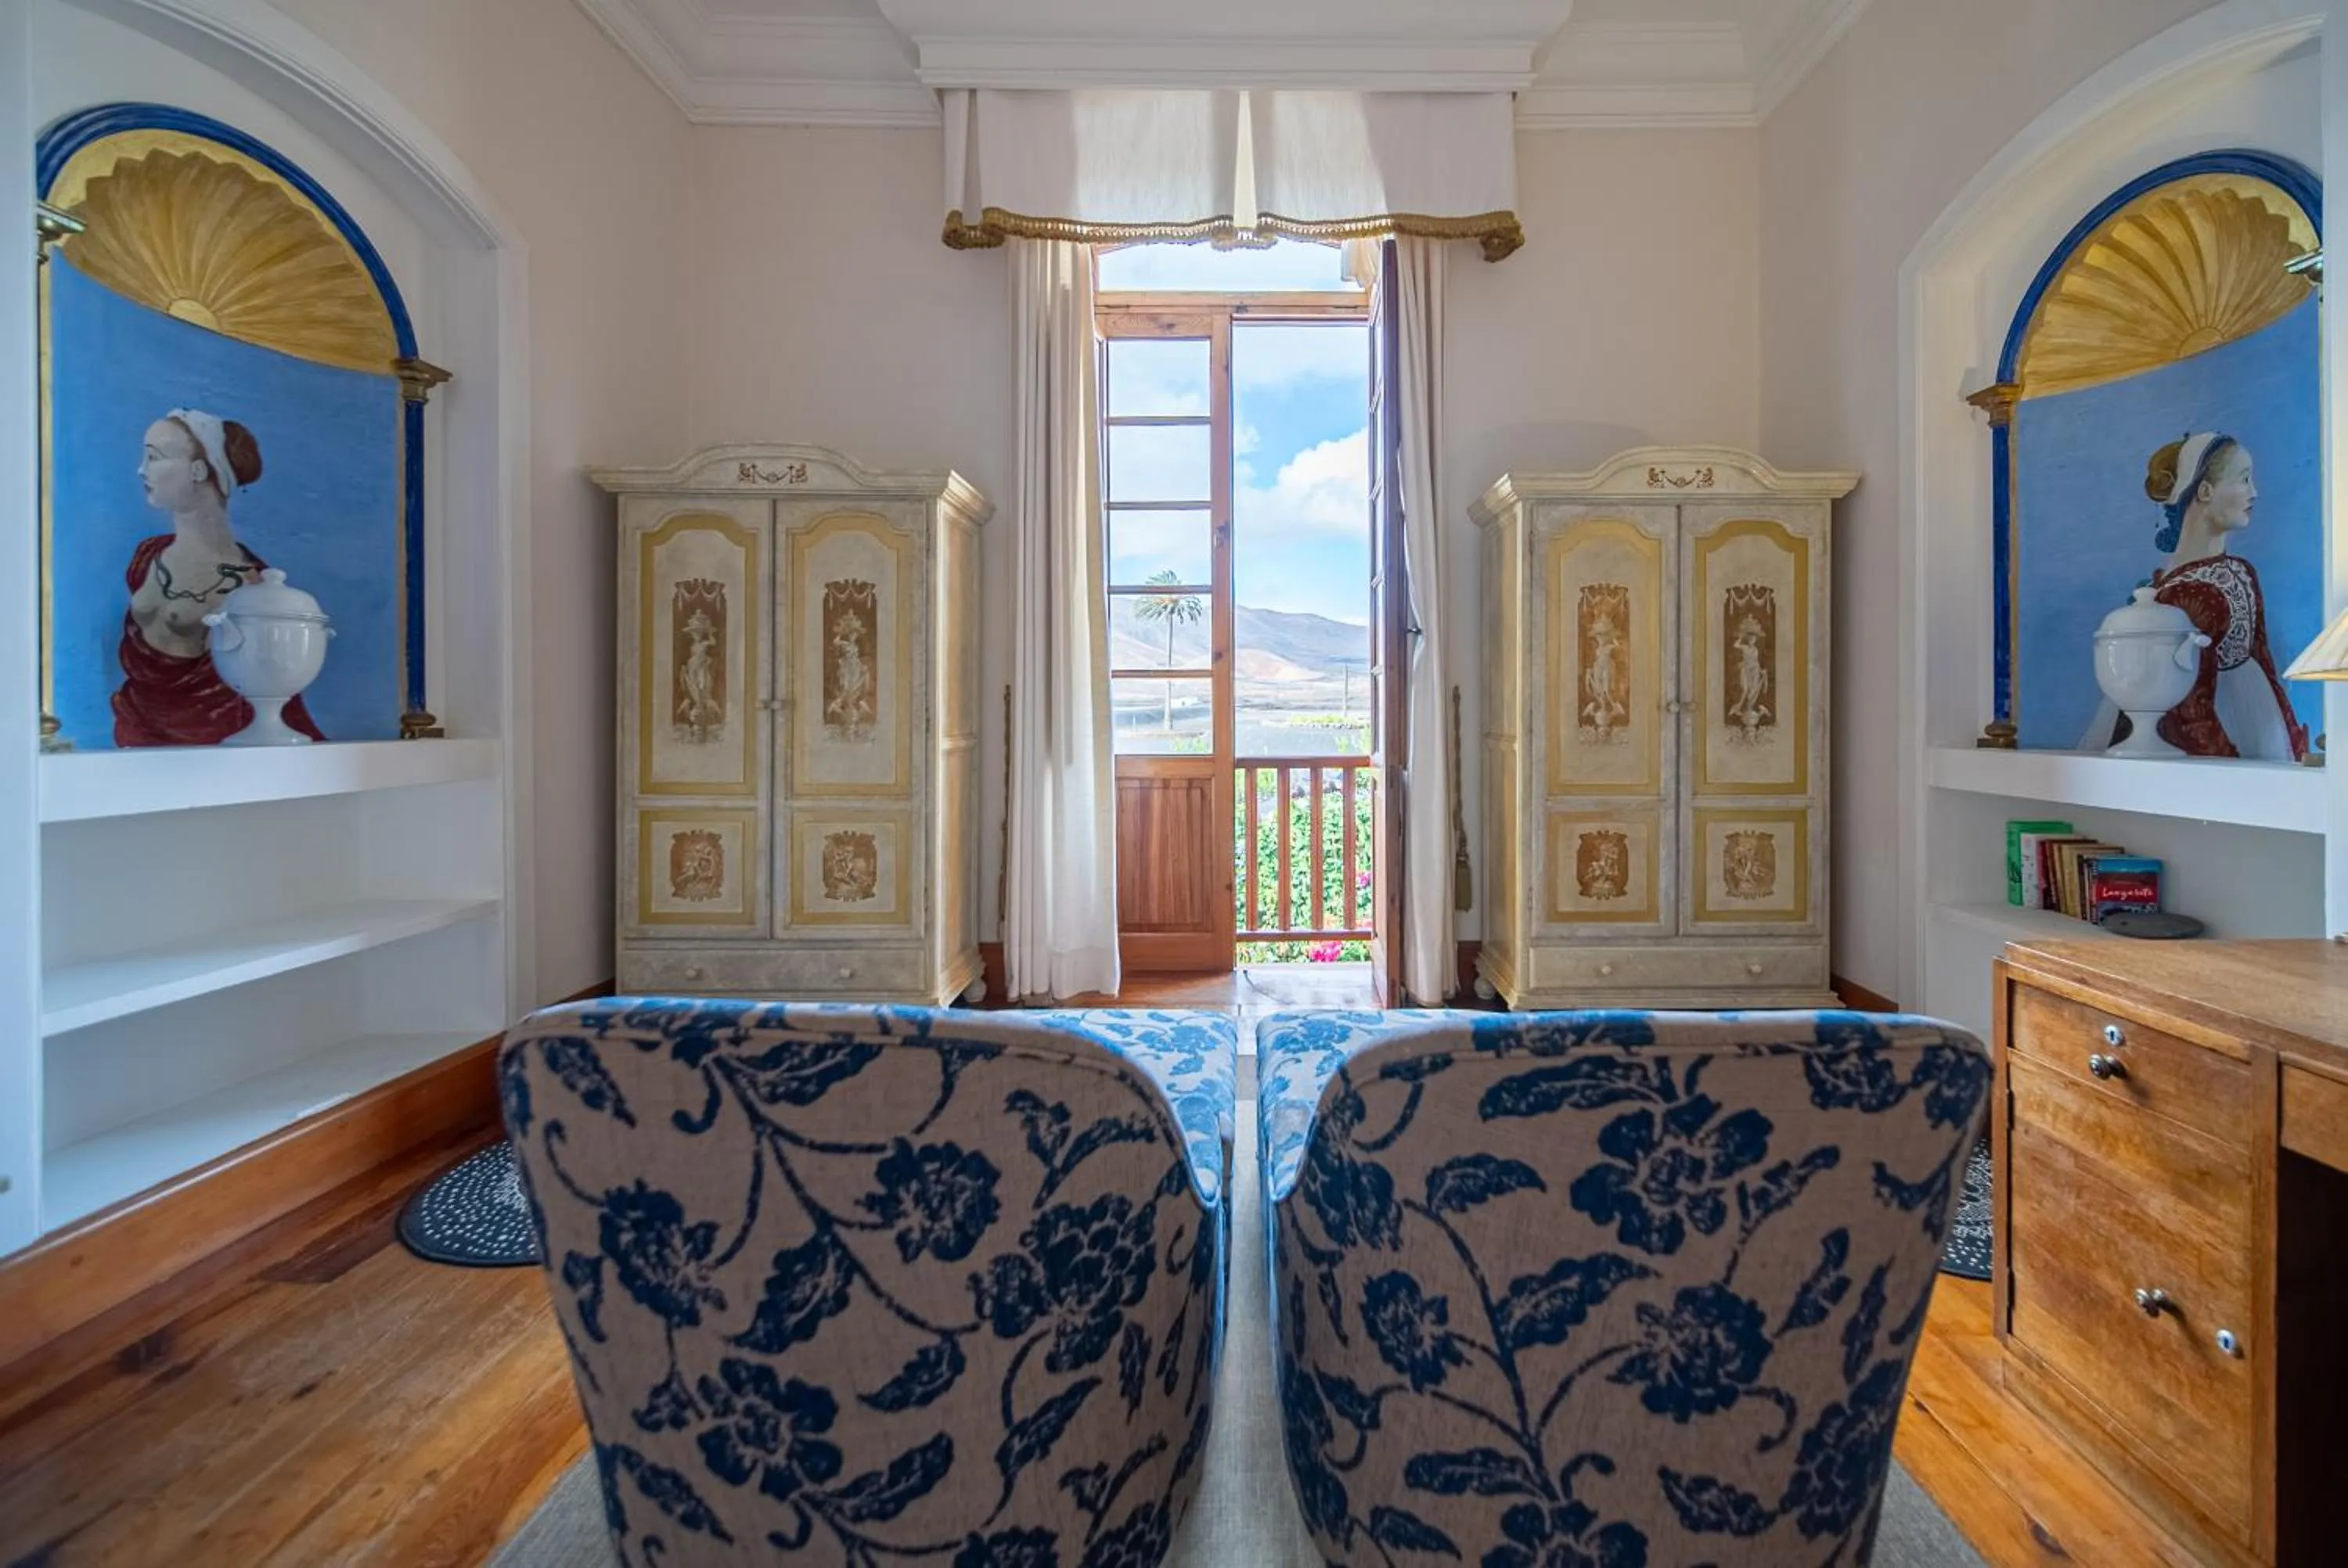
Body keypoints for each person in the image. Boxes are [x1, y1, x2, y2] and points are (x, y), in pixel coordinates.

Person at [2078, 433, 2305, 761]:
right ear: (2205, 491)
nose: (2254, 492)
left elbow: (2264, 662)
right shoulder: (2186, 594)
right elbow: (2189, 714)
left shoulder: (2241, 572)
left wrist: (2293, 745)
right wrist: (2226, 769)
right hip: (2219, 749)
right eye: (2243, 479)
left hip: (2258, 734)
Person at [114, 408, 324, 746]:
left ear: (198, 470)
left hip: (210, 746)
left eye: (154, 457)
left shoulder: (251, 586)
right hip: (133, 733)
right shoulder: (147, 556)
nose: (142, 469)